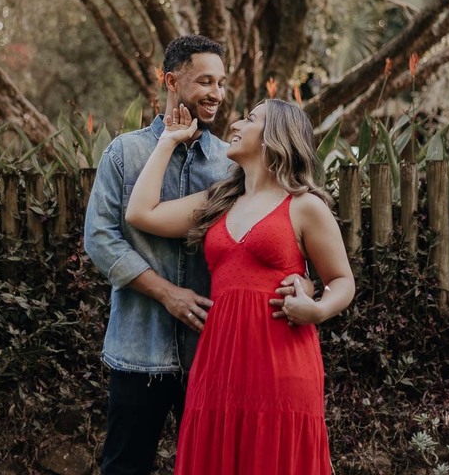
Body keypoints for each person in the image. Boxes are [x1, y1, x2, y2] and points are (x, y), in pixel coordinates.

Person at [125, 98, 356, 475]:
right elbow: (141, 214)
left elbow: (342, 280)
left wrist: (317, 309)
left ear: (274, 138)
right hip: (218, 363)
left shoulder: (303, 205)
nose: (234, 124)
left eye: (250, 119)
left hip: (281, 363)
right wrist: (167, 140)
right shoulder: (219, 201)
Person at [83, 35, 232, 475]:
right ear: (171, 80)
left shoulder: (230, 164)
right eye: (205, 81)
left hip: (209, 352)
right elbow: (100, 239)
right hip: (137, 351)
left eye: (221, 83)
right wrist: (168, 293)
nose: (216, 94)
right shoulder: (124, 153)